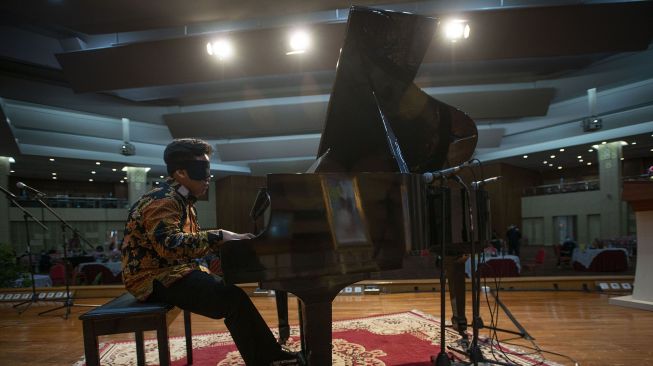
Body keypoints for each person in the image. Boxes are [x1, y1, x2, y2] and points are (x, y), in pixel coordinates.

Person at [121, 138, 301, 366]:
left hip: (173, 272)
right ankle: (269, 360)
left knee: (231, 293)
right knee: (232, 299)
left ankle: (270, 356)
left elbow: (184, 244)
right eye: (201, 170)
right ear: (180, 172)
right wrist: (219, 235)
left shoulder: (180, 199)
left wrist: (223, 245)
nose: (208, 177)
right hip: (151, 279)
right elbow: (168, 246)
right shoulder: (163, 201)